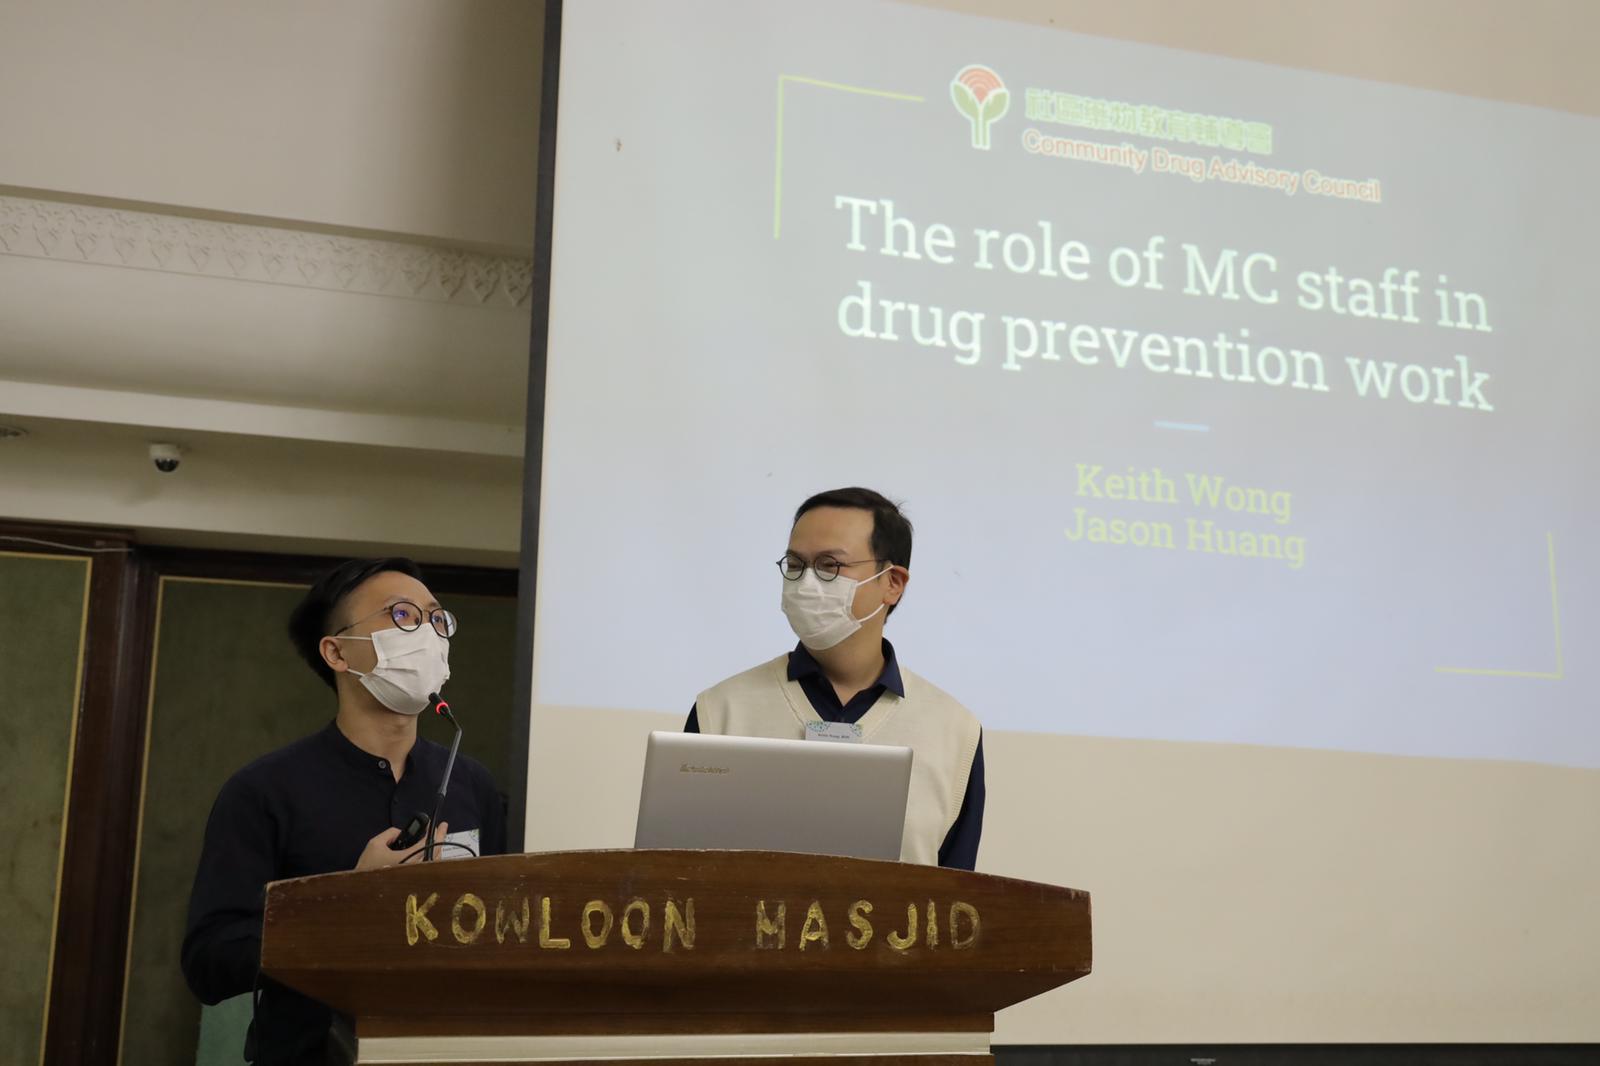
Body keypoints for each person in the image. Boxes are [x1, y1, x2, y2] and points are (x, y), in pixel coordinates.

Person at [181, 557, 507, 1065]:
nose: (428, 634)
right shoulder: (265, 790)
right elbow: (209, 962)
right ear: (336, 652)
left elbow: (504, 929)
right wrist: (345, 904)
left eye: (437, 619)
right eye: (402, 615)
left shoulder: (473, 784)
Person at [686, 487, 984, 868]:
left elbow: (956, 895)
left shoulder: (954, 731)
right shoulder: (720, 712)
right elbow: (678, 880)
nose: (805, 583)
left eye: (830, 566)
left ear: (893, 583)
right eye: (796, 564)